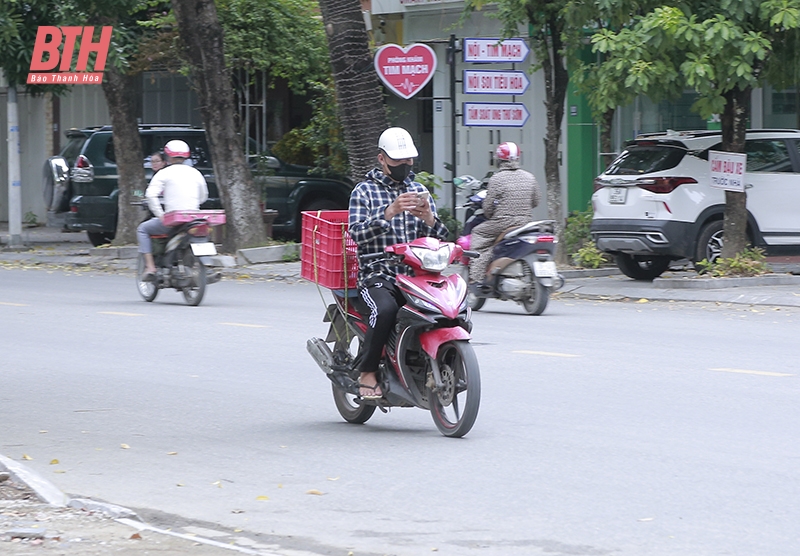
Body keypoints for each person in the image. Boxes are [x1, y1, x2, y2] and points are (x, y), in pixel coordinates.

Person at [348, 127, 449, 399]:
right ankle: (367, 372)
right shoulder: (364, 191)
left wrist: (429, 220)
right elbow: (356, 233)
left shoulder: (418, 190)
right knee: (385, 310)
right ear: (381, 159)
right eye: (398, 160)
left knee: (448, 309)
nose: (405, 165)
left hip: (417, 275)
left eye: (409, 160)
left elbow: (439, 237)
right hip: (378, 273)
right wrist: (389, 212)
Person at [469, 141, 541, 286]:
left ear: (499, 159)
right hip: (526, 222)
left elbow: (488, 207)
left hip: (503, 223)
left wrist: (490, 215)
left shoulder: (497, 178)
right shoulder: (530, 177)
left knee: (478, 233)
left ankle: (476, 276)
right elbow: (536, 201)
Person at [137, 140, 208, 280]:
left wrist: (161, 215)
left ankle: (150, 267)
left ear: (168, 157)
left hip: (173, 221)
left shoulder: (163, 173)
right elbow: (203, 196)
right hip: (194, 219)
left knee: (142, 229)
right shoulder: (196, 173)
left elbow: (150, 195)